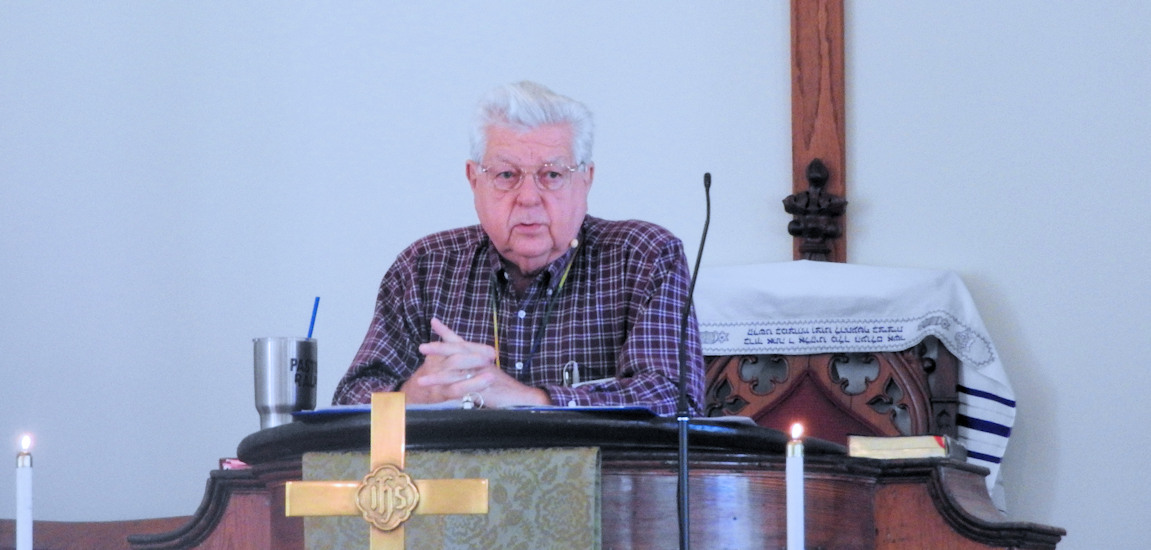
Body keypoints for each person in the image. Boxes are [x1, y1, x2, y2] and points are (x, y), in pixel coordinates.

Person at [332, 81, 703, 415]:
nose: (528, 197)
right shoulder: (425, 267)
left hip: (603, 472)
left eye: (552, 174)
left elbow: (673, 398)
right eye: (506, 174)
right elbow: (349, 402)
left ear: (586, 180)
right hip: (455, 472)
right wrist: (415, 394)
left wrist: (529, 399)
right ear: (473, 180)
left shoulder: (643, 257)